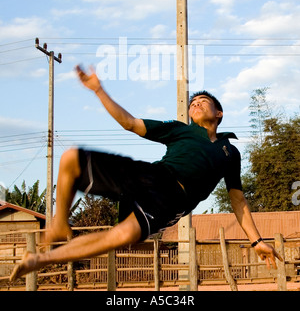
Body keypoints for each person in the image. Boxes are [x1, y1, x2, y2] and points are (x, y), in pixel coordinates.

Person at [10, 65, 281, 280]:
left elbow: (238, 201)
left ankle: (38, 260)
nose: (195, 104)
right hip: (151, 176)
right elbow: (129, 122)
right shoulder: (180, 129)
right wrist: (98, 90)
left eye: (202, 101)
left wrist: (256, 240)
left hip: (172, 202)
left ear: (219, 113)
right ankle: (59, 224)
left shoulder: (229, 152)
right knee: (71, 157)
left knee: (121, 237)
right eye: (192, 103)